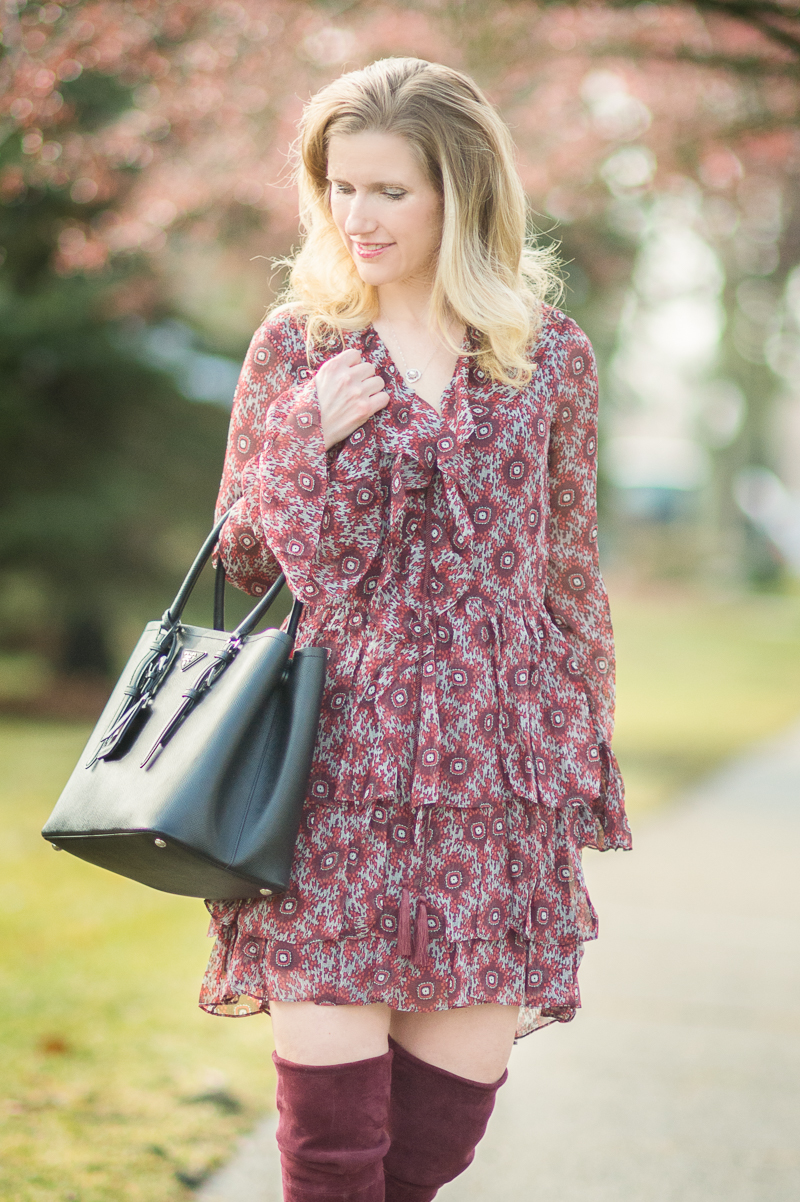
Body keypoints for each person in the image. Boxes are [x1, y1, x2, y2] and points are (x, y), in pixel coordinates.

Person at [200, 56, 631, 1202]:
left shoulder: (548, 357)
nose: (356, 215)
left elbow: (565, 572)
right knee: (334, 1161)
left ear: (460, 191)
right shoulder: (298, 348)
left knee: (426, 1155)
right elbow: (240, 556)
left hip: (493, 779)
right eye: (340, 187)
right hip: (332, 763)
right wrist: (303, 436)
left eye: (389, 189)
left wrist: (580, 742)